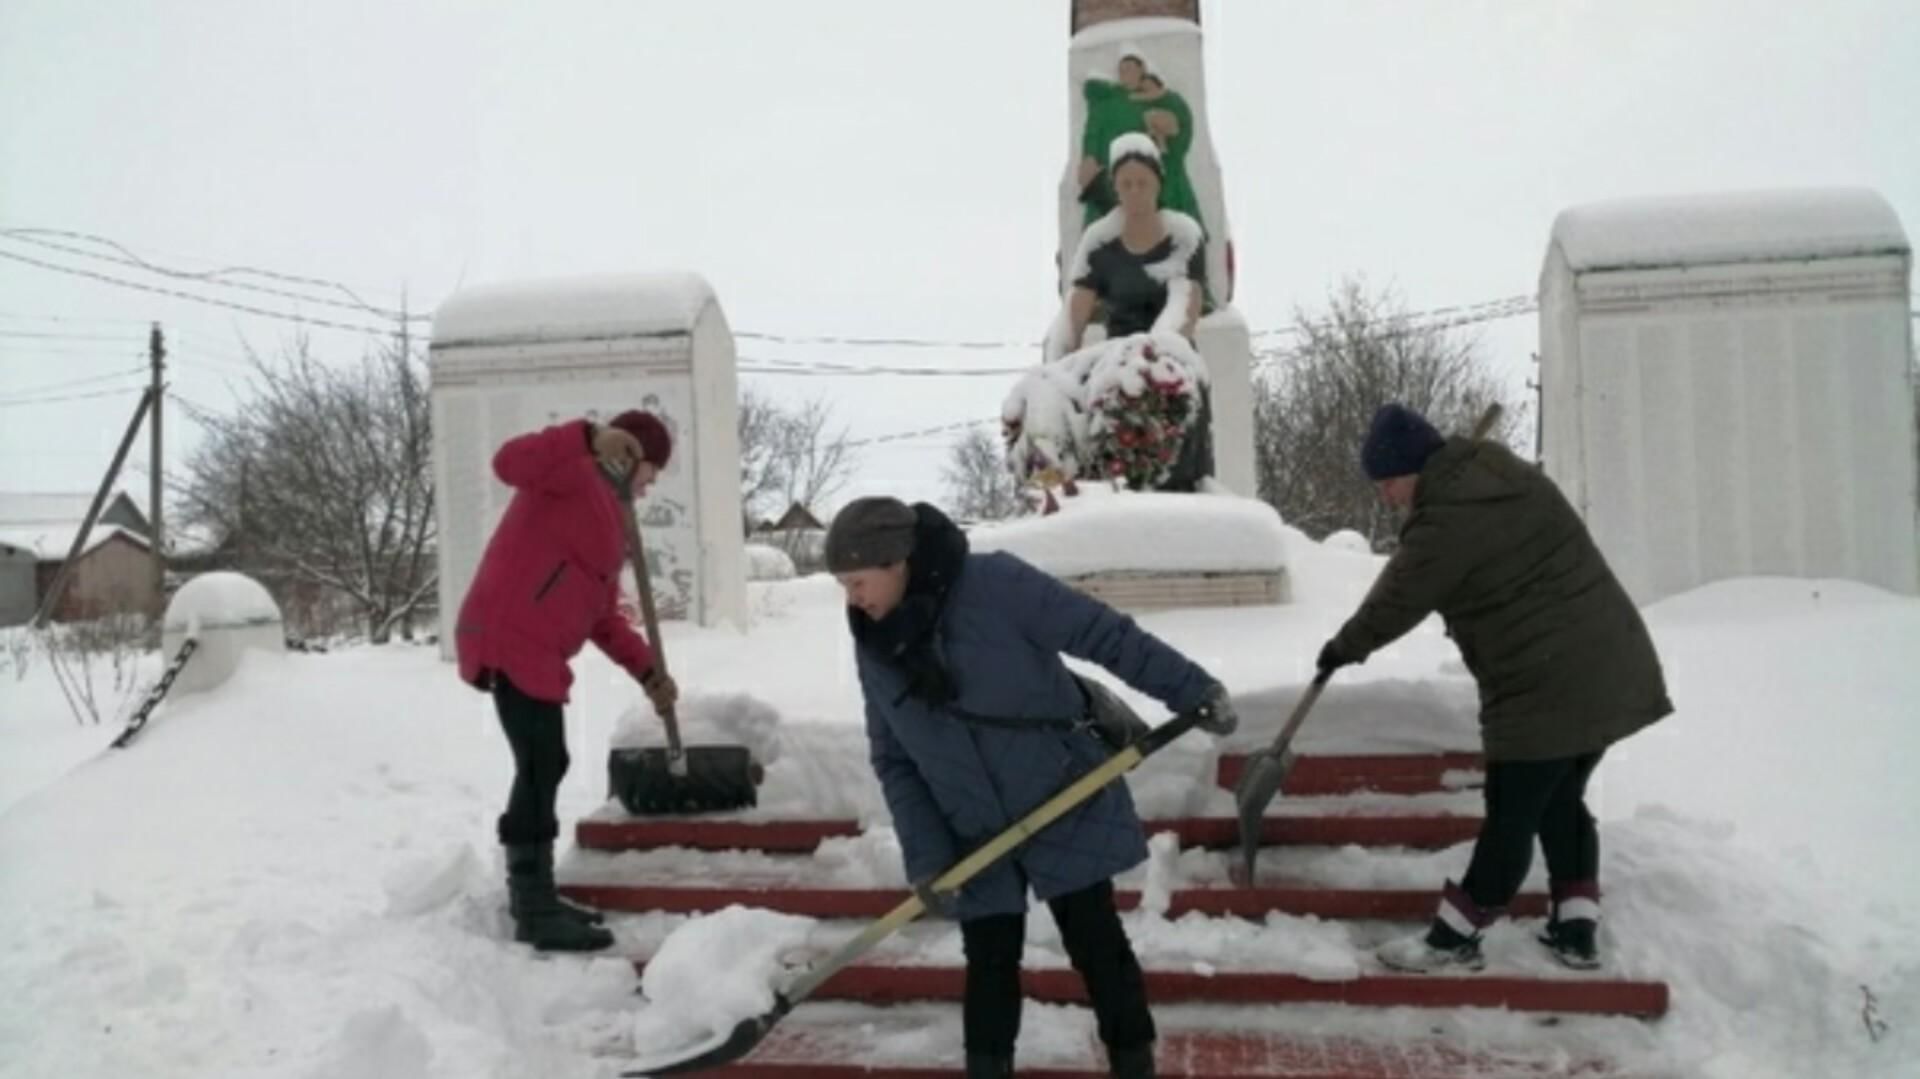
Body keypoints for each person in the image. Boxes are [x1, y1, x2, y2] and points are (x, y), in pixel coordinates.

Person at [827, 496, 1238, 1079]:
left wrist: (1191, 688)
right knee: (989, 960)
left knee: (1093, 938)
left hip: (1061, 793)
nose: (854, 599)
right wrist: (928, 856)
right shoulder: (875, 646)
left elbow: (1105, 636)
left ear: (898, 562)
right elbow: (895, 759)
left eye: (857, 581)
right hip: (973, 827)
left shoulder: (996, 585)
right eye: (843, 586)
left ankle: (1134, 1063)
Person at [1316, 404, 1674, 973]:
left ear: (1415, 469)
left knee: (1512, 812)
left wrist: (1342, 647)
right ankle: (1576, 930)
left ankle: (1453, 940)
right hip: (1608, 664)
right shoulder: (1502, 479)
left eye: (1388, 482)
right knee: (1560, 800)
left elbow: (1399, 600)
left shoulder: (1448, 521)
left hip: (1544, 682)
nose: (1385, 495)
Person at [455, 410, 682, 953]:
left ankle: (538, 896)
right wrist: (587, 437)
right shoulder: (571, 473)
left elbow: (603, 615)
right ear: (630, 457)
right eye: (650, 474)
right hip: (510, 635)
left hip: (539, 647)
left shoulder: (611, 518)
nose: (649, 489)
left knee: (544, 762)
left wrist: (648, 670)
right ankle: (532, 907)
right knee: (543, 762)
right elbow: (508, 462)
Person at [1058, 131, 1214, 490]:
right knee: (1120, 465)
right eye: (1126, 183)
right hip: (1116, 370)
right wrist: (1061, 365)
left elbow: (1184, 304)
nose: (1135, 191)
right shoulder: (1099, 241)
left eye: (1142, 182)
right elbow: (1076, 310)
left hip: (1173, 363)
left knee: (1178, 471)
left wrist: (1152, 360)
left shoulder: (1184, 235)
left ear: (1158, 182)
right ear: (1115, 187)